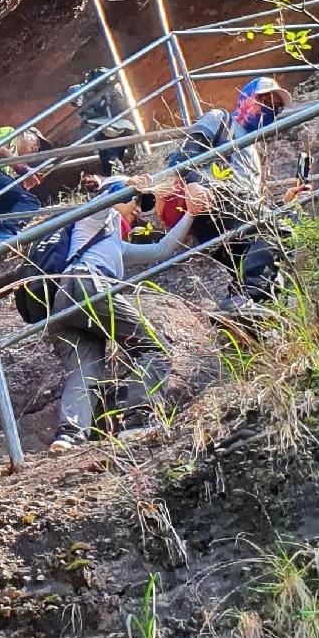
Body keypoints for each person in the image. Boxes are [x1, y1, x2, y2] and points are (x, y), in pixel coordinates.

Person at [25, 169, 211, 449]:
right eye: (135, 201)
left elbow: (161, 251)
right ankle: (137, 420)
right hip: (85, 284)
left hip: (66, 300)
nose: (138, 208)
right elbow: (107, 198)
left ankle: (70, 435)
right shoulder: (95, 217)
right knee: (153, 349)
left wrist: (191, 214)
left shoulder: (115, 244)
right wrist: (126, 186)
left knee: (85, 369)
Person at [165, 76, 293, 308]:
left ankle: (241, 306)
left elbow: (252, 201)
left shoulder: (256, 153)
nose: (269, 110)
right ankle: (248, 299)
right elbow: (184, 156)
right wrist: (193, 182)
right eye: (264, 101)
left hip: (239, 211)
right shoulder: (221, 120)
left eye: (276, 108)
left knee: (262, 262)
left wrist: (282, 203)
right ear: (246, 97)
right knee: (279, 230)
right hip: (214, 199)